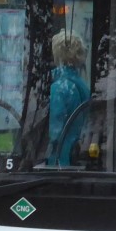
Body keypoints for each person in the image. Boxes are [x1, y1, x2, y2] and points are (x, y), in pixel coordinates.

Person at [48, 31, 90, 166]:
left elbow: (55, 132)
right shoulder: (82, 85)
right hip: (75, 154)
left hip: (60, 158)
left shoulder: (60, 87)